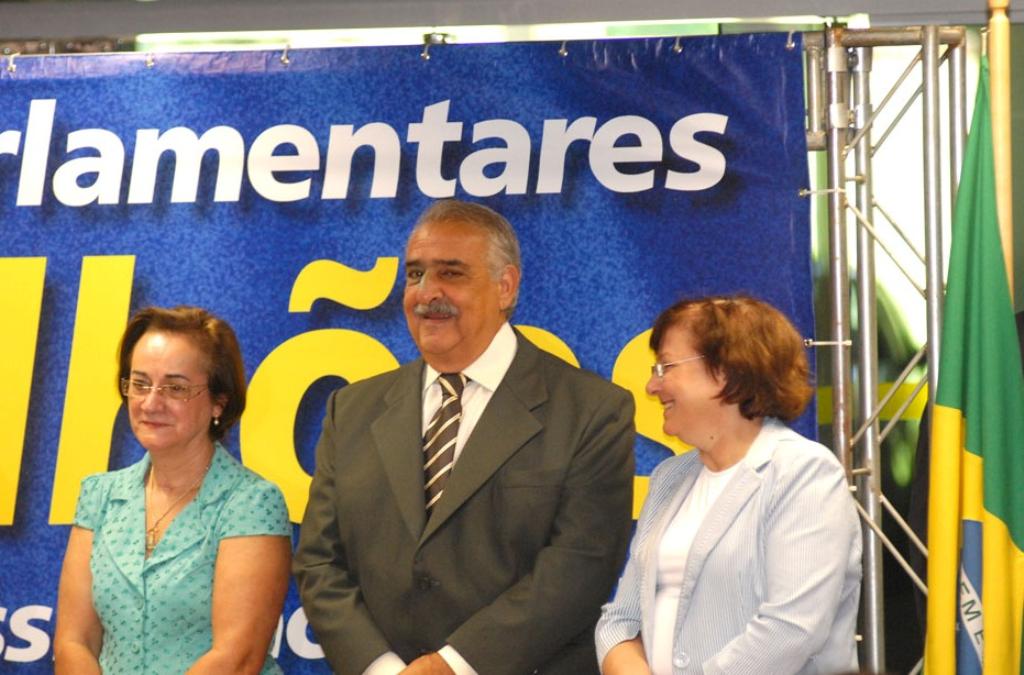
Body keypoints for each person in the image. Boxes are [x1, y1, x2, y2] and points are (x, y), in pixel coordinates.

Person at [294, 199, 636, 675]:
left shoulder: (592, 410)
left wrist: (453, 665)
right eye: (414, 275)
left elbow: (580, 565)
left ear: (506, 287)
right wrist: (383, 669)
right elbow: (318, 562)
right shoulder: (349, 410)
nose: (426, 293)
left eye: (451, 274)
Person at [595, 295, 862, 674]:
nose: (652, 386)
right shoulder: (670, 479)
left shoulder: (804, 473)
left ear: (727, 371)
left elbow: (791, 630)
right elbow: (620, 620)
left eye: (666, 367)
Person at [54, 306, 292, 674]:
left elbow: (237, 659)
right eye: (140, 383)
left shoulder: (251, 503)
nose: (151, 403)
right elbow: (74, 641)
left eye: (176, 387)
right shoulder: (98, 496)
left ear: (218, 401)